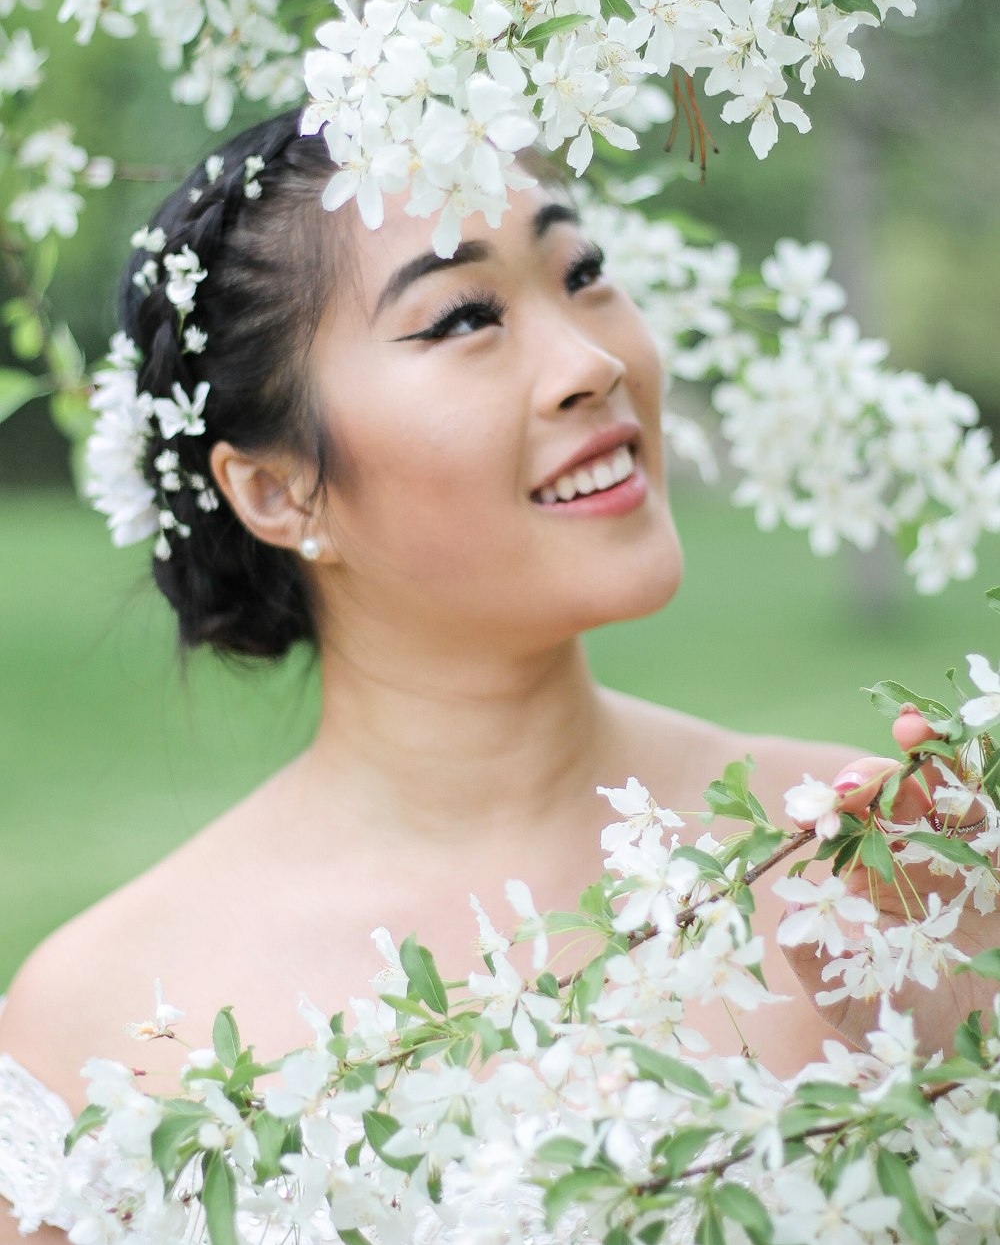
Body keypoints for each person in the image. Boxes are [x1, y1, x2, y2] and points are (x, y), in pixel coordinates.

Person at [0, 110, 993, 1240]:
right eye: (464, 315)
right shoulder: (101, 1026)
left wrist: (966, 1071)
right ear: (279, 490)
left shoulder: (879, 869)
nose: (591, 360)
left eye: (585, 274)